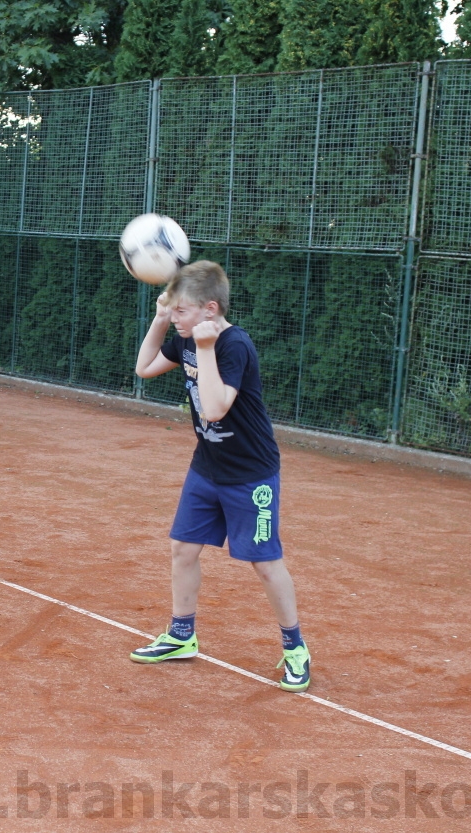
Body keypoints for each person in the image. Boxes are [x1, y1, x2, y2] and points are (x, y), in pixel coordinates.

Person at [128, 260, 310, 692]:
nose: (176, 319)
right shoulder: (188, 337)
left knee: (264, 563)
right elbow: (145, 367)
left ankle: (295, 648)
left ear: (210, 309)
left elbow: (214, 408)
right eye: (172, 311)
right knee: (183, 549)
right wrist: (159, 319)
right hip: (207, 467)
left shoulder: (232, 346)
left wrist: (205, 349)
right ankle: (180, 635)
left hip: (251, 475)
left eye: (181, 312)